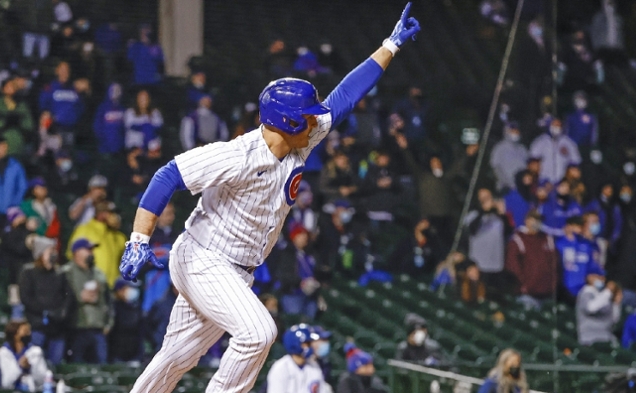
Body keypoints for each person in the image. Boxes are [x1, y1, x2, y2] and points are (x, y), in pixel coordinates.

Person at [118, 7, 421, 392]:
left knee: (177, 356)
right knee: (259, 333)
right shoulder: (238, 156)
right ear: (289, 123)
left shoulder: (301, 138)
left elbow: (344, 96)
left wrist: (389, 45)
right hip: (204, 257)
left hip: (236, 269)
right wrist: (139, 240)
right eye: (308, 116)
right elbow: (168, 176)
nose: (317, 120)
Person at [19, 236, 74, 366]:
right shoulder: (29, 272)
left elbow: (69, 296)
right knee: (35, 362)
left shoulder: (60, 273)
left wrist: (61, 312)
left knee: (56, 364)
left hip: (57, 328)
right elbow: (26, 297)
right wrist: (45, 311)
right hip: (37, 326)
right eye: (50, 251)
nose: (54, 254)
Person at [63, 238, 114, 364]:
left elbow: (109, 301)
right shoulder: (66, 272)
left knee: (101, 368)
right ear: (76, 252)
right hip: (76, 328)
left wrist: (109, 323)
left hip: (98, 329)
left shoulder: (99, 274)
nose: (91, 253)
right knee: (76, 367)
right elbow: (59, 298)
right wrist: (79, 298)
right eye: (88, 249)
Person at [505, 211, 558, 310]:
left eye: (539, 220)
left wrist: (553, 284)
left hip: (547, 293)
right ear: (527, 221)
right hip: (527, 294)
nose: (536, 223)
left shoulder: (547, 238)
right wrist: (524, 285)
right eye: (534, 219)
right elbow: (513, 266)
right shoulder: (518, 239)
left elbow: (555, 264)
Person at [464, 188, 512, 294]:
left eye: (489, 197)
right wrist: (483, 211)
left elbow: (508, 232)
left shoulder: (498, 218)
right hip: (479, 265)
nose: (487, 200)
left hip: (496, 266)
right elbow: (472, 230)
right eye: (484, 198)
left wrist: (502, 214)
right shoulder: (473, 215)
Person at [67, 204, 126, 287]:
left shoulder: (120, 237)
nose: (116, 217)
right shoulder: (84, 230)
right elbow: (71, 255)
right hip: (90, 283)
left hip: (112, 287)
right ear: (102, 214)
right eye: (112, 213)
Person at [275, 224, 320, 320]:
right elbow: (283, 275)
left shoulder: (309, 253)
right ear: (294, 237)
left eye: (305, 235)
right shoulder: (287, 253)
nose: (305, 237)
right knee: (295, 321)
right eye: (301, 235)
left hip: (310, 295)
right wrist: (300, 282)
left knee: (309, 323)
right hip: (292, 294)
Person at [265, 325, 327, 393]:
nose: (311, 346)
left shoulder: (314, 366)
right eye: (307, 343)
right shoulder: (281, 368)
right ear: (295, 344)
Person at [38, 61, 87, 147]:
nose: (65, 72)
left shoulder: (75, 88)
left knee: (69, 154)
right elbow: (44, 106)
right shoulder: (50, 87)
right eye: (62, 69)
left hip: (72, 129)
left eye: (67, 69)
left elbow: (81, 107)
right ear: (57, 71)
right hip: (56, 129)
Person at [0, 78, 35, 156]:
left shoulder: (22, 106)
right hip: (1, 145)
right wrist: (4, 123)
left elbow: (30, 125)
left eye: (14, 86)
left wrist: (19, 123)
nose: (12, 88)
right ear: (3, 89)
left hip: (19, 145)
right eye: (8, 86)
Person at [0, 320, 49, 390]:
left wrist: (30, 367)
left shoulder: (35, 351)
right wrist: (20, 367)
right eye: (25, 331)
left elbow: (43, 379)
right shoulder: (3, 353)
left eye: (29, 331)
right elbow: (5, 382)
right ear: (15, 335)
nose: (29, 334)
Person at [529, 119, 581, 184]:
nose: (556, 127)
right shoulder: (540, 141)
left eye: (558, 125)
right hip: (544, 181)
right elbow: (533, 161)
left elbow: (576, 161)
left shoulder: (569, 142)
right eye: (554, 124)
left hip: (563, 182)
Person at [576, 276, 622, 346]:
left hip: (606, 338)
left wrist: (616, 304)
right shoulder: (586, 293)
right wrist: (608, 291)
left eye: (603, 278)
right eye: (599, 277)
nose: (602, 280)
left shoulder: (604, 297)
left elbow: (613, 319)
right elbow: (591, 308)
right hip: (589, 339)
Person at [108, 278, 143, 363]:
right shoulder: (112, 308)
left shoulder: (136, 308)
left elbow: (140, 333)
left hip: (134, 356)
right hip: (116, 356)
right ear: (119, 290)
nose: (133, 291)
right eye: (130, 288)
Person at [490, 122, 529, 192]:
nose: (515, 133)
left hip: (521, 187)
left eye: (516, 131)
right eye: (512, 131)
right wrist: (505, 181)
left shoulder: (522, 149)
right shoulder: (499, 148)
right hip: (506, 187)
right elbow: (495, 167)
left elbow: (527, 166)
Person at [93, 83, 126, 155]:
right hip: (104, 148)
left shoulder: (123, 109)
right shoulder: (102, 107)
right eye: (113, 89)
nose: (115, 92)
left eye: (118, 90)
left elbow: (124, 128)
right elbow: (97, 126)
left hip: (119, 149)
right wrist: (102, 141)